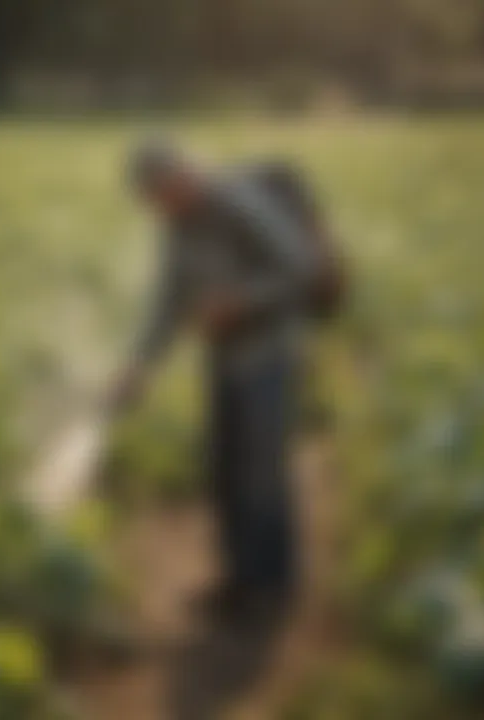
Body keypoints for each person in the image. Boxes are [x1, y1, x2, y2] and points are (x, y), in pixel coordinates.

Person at [111, 140, 322, 615]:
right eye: (151, 202)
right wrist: (140, 365)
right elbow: (168, 301)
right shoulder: (178, 227)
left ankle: (272, 588)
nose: (159, 209)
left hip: (269, 353)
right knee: (224, 470)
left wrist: (240, 302)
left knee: (261, 473)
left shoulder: (239, 204)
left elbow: (301, 267)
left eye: (162, 195)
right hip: (224, 358)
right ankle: (237, 579)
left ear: (183, 176)